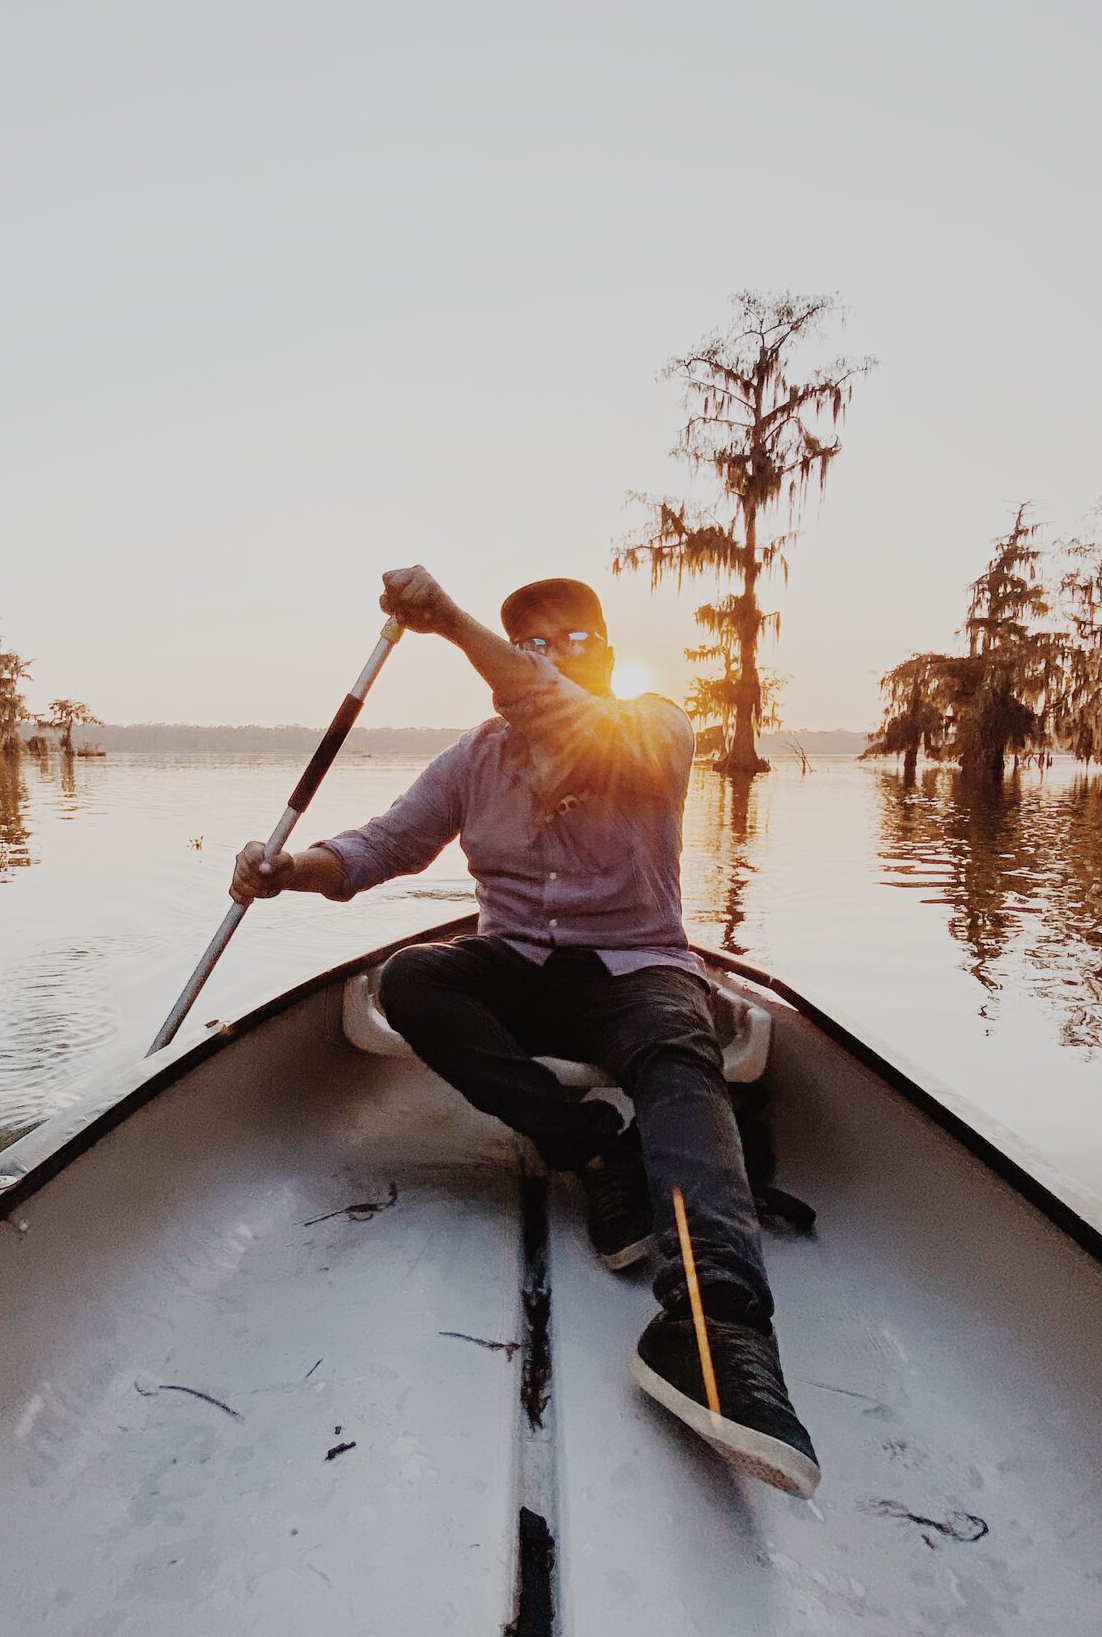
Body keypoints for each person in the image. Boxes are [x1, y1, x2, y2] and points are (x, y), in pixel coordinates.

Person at [230, 566, 819, 1498]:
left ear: (610, 654)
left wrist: (452, 622)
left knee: (678, 1050)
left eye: (569, 638)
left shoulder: (652, 727)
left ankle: (715, 1325)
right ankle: (590, 1149)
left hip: (637, 966)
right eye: (529, 642)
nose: (545, 657)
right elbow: (383, 847)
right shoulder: (478, 755)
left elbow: (545, 706)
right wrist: (285, 869)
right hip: (515, 965)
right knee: (415, 977)